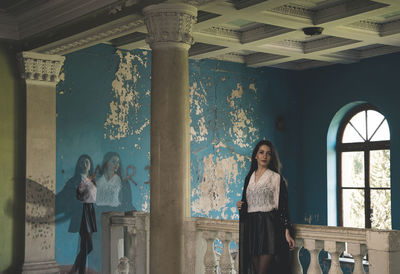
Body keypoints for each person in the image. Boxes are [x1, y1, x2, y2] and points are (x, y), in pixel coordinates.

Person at [237, 140, 295, 274]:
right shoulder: (249, 178)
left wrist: (287, 231)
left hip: (269, 226)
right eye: (261, 152)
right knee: (256, 271)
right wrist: (240, 204)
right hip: (252, 227)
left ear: (271, 157)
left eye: (268, 154)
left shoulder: (275, 178)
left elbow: (283, 206)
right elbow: (247, 202)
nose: (264, 156)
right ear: (255, 156)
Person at [70, 155, 97, 274]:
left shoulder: (91, 179)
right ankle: (79, 271)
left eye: (87, 162)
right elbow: (77, 197)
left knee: (88, 246)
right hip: (82, 211)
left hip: (90, 211)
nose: (84, 164)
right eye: (82, 162)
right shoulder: (76, 180)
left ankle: (74, 270)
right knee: (85, 246)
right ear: (78, 165)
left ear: (90, 165)